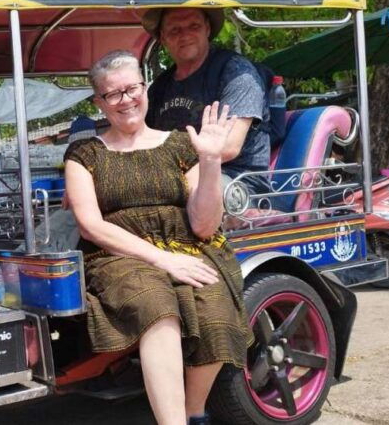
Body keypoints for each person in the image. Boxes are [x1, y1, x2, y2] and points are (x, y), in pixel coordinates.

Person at [64, 50, 253, 425]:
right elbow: (91, 225)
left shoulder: (182, 145)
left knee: (215, 310)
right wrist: (163, 259)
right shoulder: (84, 153)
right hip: (116, 253)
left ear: (144, 88)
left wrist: (212, 161)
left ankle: (193, 412)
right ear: (99, 102)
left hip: (188, 244)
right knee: (157, 307)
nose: (125, 100)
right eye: (112, 94)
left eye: (131, 88)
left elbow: (203, 226)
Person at [143, 7, 271, 194]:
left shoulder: (236, 72)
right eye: (175, 30)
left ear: (207, 29)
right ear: (163, 37)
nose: (185, 35)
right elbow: (142, 139)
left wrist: (163, 165)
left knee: (173, 194)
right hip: (174, 175)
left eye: (193, 26)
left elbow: (227, 148)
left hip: (236, 183)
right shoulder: (159, 87)